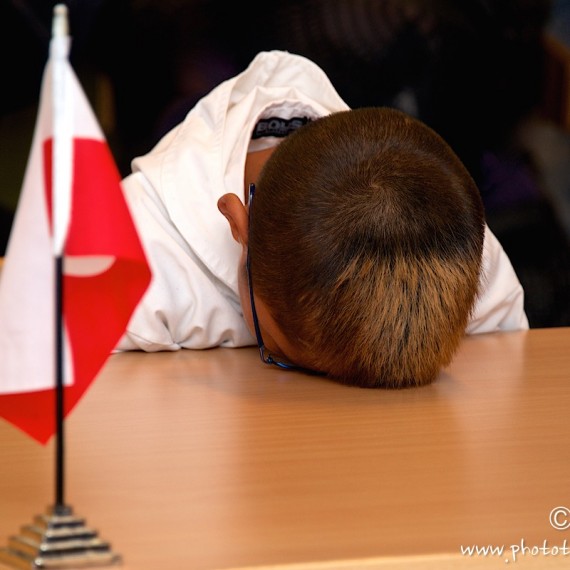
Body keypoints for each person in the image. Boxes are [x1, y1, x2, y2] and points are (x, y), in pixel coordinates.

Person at [117, 50, 528, 388]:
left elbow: (504, 363)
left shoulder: (446, 234)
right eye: (274, 349)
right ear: (239, 225)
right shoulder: (131, 250)